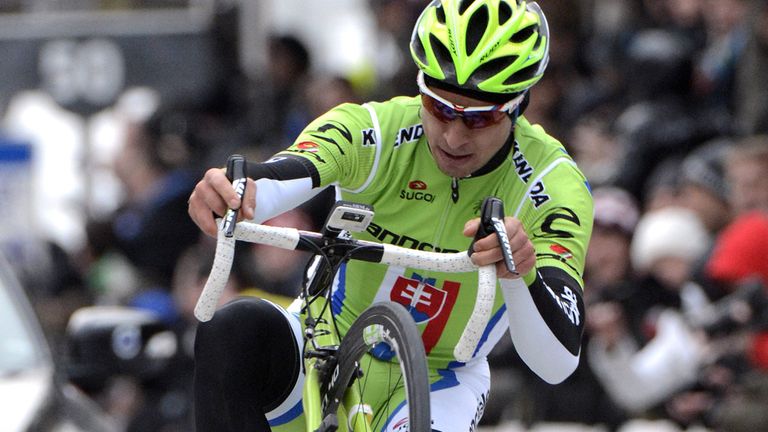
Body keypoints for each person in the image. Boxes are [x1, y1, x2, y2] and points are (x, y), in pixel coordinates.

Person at [187, 1, 594, 431]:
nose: (454, 137)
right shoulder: (377, 131)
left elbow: (556, 363)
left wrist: (521, 273)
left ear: (518, 105)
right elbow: (278, 178)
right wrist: (233, 193)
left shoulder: (552, 185)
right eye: (439, 108)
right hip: (322, 343)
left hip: (440, 379)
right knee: (234, 328)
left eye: (481, 118)